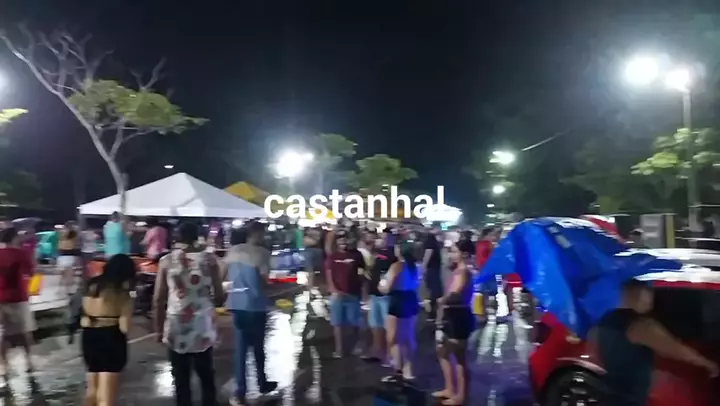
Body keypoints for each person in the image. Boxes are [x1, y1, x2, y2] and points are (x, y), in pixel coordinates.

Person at [593, 279, 718, 405]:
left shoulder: (608, 318)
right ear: (635, 293)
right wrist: (708, 364)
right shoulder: (638, 323)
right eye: (647, 291)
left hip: (613, 394)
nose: (650, 298)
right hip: (627, 400)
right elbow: (674, 349)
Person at [153, 222, 224, 406]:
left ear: (177, 237)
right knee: (206, 373)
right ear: (197, 236)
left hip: (176, 325)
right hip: (202, 325)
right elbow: (219, 296)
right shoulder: (209, 260)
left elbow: (158, 299)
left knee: (180, 377)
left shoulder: (166, 261)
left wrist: (159, 330)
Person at [223, 221, 278, 406]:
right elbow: (263, 282)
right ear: (258, 234)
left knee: (241, 350)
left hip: (236, 304)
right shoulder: (262, 253)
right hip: (255, 305)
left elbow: (222, 274)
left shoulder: (233, 251)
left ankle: (240, 391)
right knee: (258, 347)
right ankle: (262, 383)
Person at [81, 254, 136, 406]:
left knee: (92, 390)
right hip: (111, 337)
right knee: (106, 397)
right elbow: (125, 326)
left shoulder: (91, 285)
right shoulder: (121, 292)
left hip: (88, 336)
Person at [433, 240, 475, 405]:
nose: (451, 255)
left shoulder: (463, 272)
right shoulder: (457, 270)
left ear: (464, 254)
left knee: (459, 358)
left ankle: (460, 396)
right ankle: (449, 388)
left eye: (455, 251)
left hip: (458, 316)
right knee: (442, 351)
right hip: (450, 315)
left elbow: (455, 294)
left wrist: (442, 300)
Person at [0, 227, 37, 388]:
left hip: (1, 298)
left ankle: (4, 365)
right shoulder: (20, 253)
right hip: (18, 298)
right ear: (14, 238)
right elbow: (31, 271)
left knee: (5, 334)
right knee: (25, 332)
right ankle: (28, 362)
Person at [379, 241, 419, 382]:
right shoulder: (414, 266)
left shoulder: (397, 265)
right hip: (411, 298)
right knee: (408, 337)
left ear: (400, 250)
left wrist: (381, 285)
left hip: (398, 300)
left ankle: (397, 369)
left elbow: (386, 288)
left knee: (394, 337)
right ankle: (409, 370)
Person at [325, 228, 365, 358]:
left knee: (355, 322)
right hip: (337, 295)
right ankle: (339, 349)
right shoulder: (332, 257)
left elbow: (362, 273)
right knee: (337, 323)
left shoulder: (357, 255)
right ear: (336, 242)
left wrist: (362, 291)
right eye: (340, 240)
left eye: (345, 239)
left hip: (353, 293)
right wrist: (334, 290)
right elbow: (329, 275)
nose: (343, 242)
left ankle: (356, 346)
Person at [362, 232, 395, 365]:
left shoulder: (393, 255)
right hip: (374, 294)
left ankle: (390, 356)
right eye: (379, 238)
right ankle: (377, 352)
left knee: (388, 328)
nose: (379, 240)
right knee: (375, 325)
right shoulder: (375, 254)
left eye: (383, 238)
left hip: (386, 296)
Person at [422, 228, 443, 322]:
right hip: (432, 270)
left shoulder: (432, 242)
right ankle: (432, 312)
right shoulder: (431, 243)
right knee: (435, 292)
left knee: (434, 291)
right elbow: (428, 255)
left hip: (433, 270)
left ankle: (433, 312)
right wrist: (423, 267)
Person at [58, 221, 82, 287]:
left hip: (62, 254)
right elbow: (76, 239)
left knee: (64, 271)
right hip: (69, 253)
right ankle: (68, 286)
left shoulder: (61, 232)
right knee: (69, 271)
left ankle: (62, 284)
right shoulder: (72, 233)